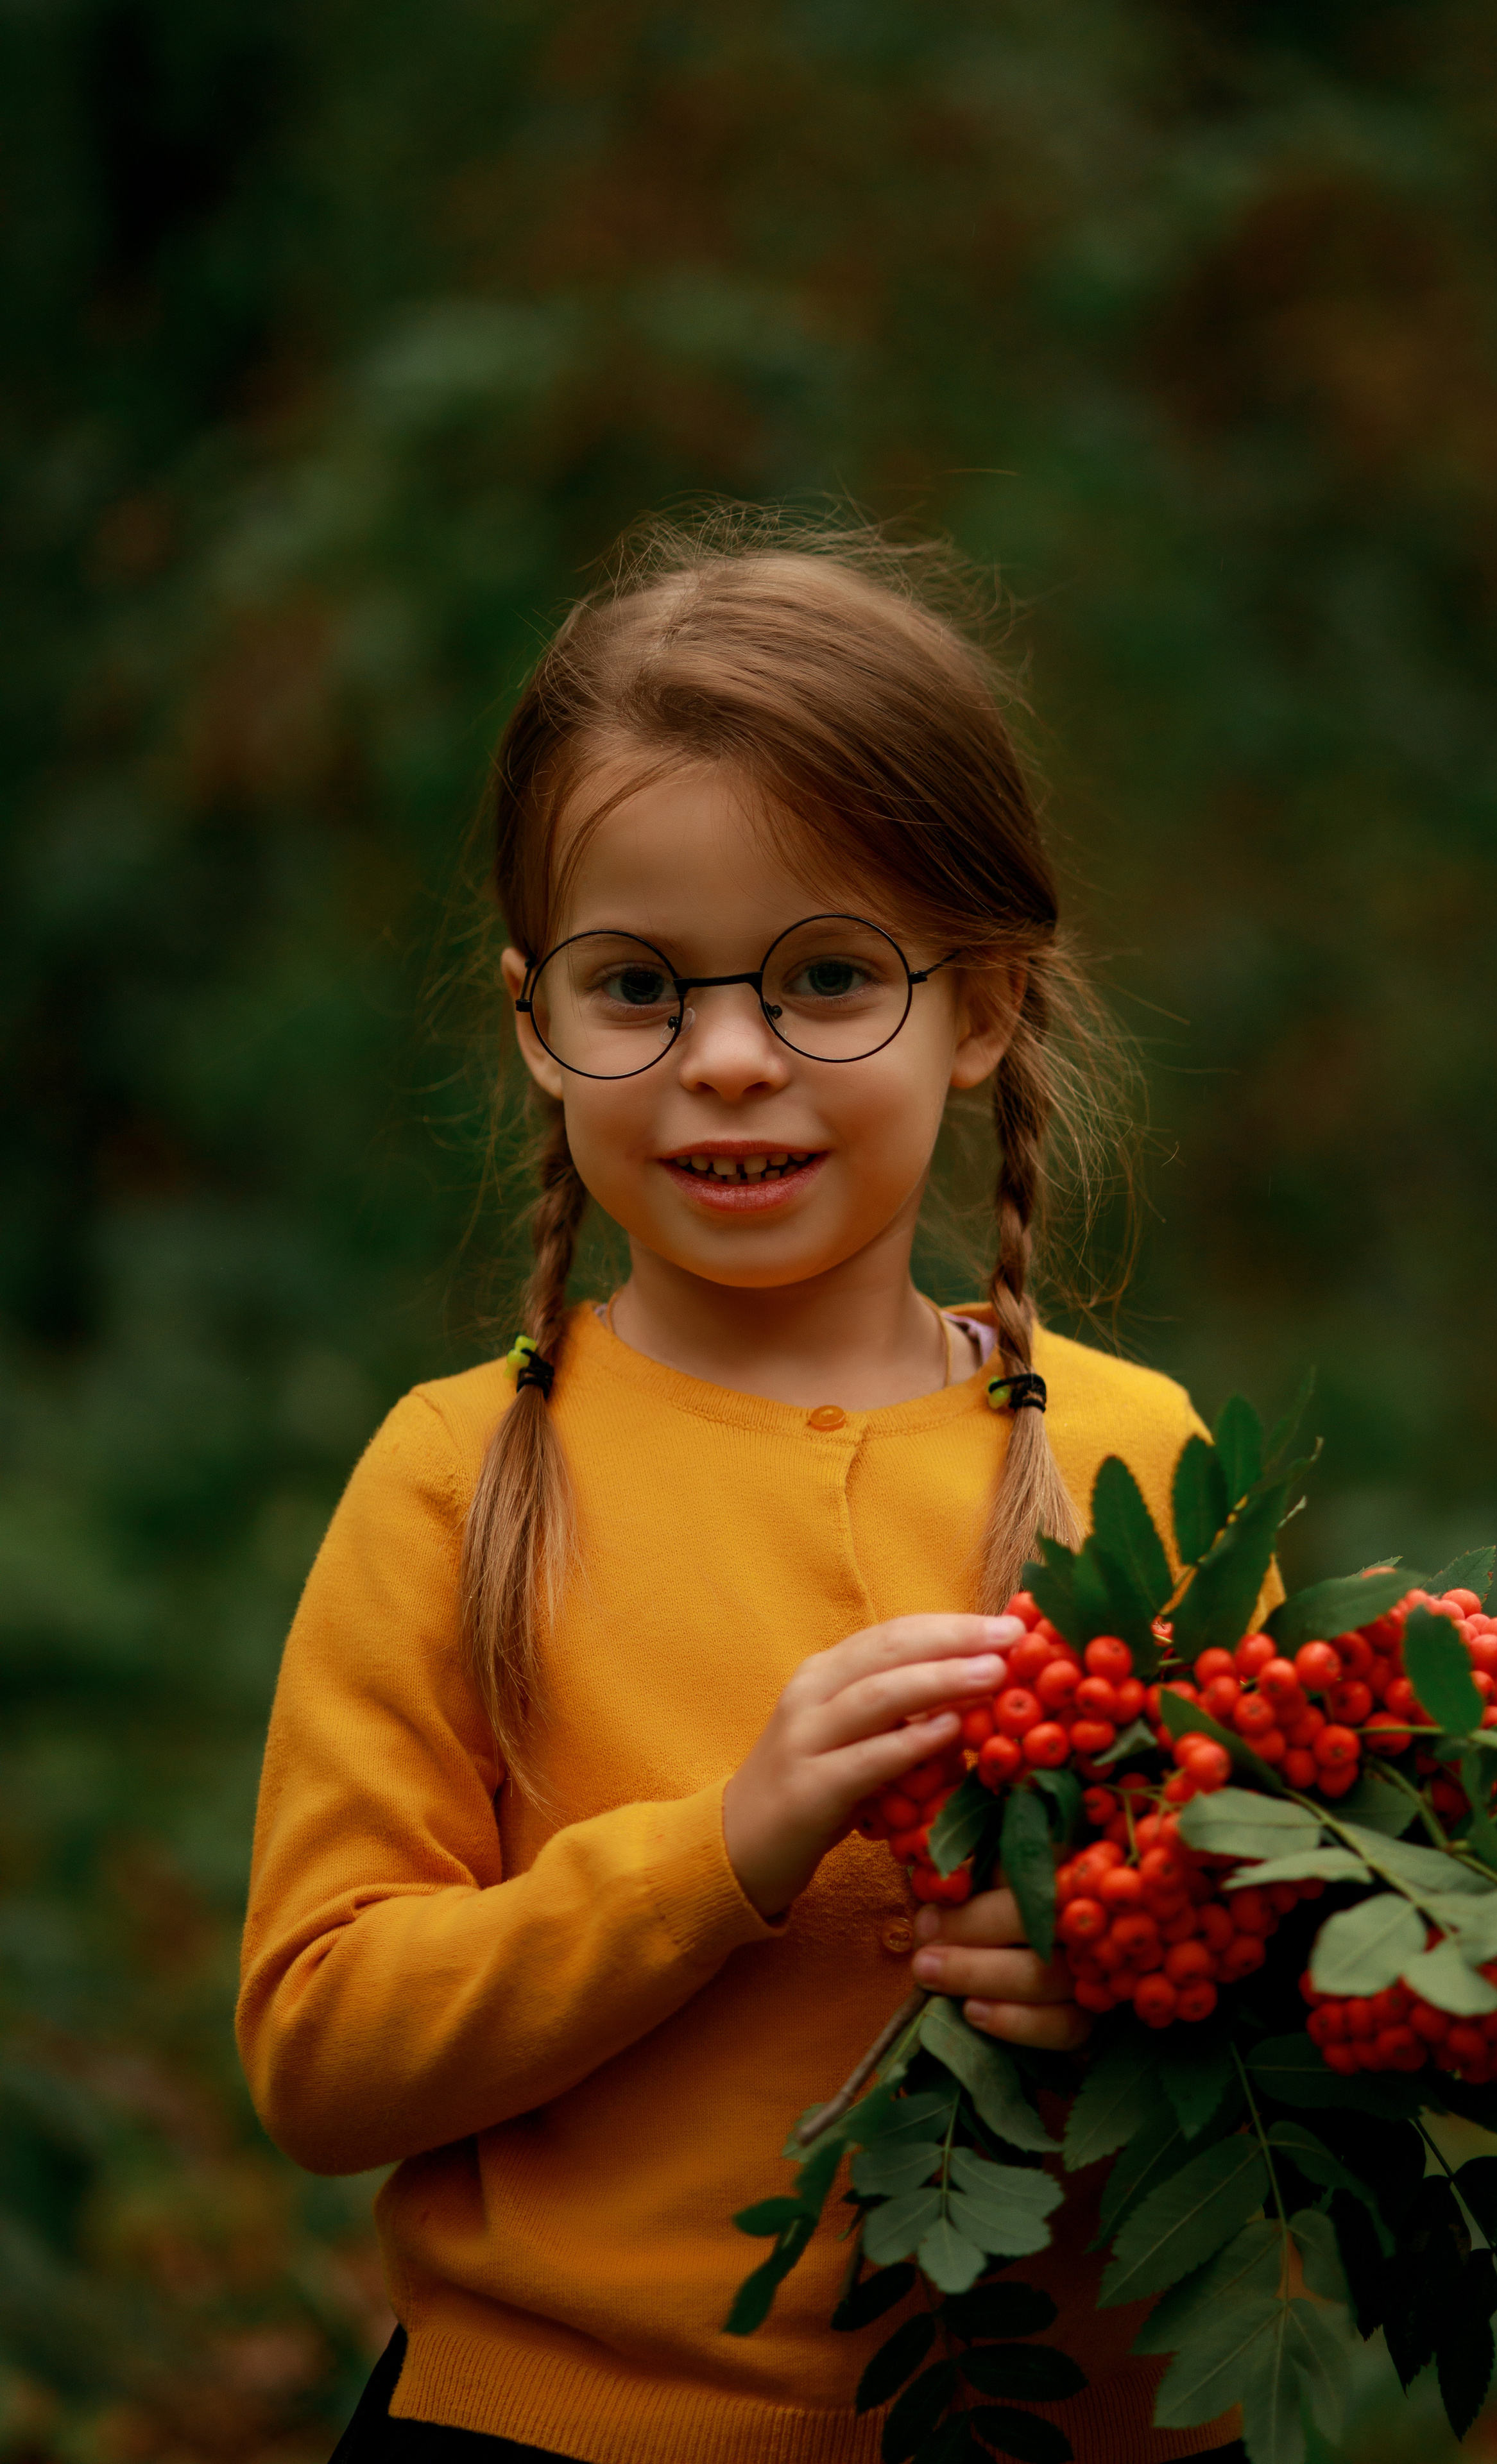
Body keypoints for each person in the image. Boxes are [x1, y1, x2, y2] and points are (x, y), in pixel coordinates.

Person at [237, 513, 1244, 2464]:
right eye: (641, 989)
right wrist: (723, 1852)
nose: (724, 1061)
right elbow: (320, 2051)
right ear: (538, 1022)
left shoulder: (1140, 1459)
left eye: (827, 976)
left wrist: (1125, 1985)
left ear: (988, 1006)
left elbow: (1283, 1986)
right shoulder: (466, 1473)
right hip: (558, 2431)